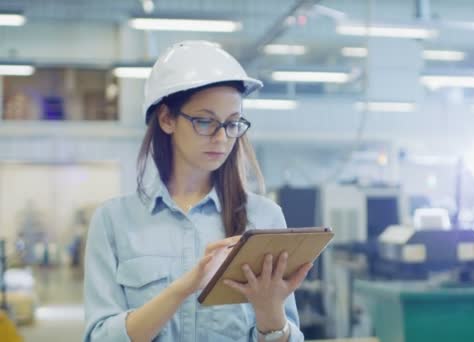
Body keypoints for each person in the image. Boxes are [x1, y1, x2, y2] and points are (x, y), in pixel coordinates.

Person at [83, 41, 311, 342]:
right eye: (205, 121)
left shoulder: (264, 217)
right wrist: (183, 288)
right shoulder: (114, 222)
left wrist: (271, 316)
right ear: (166, 119)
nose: (221, 137)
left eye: (232, 123)